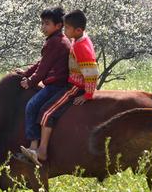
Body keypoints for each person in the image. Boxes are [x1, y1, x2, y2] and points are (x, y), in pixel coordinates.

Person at [20, 9, 99, 165]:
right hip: (69, 82)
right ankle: (37, 147)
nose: (65, 31)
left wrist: (88, 95)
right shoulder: (75, 40)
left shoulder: (77, 45)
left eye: (67, 28)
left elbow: (91, 71)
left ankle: (40, 150)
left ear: (78, 30)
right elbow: (42, 63)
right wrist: (26, 73)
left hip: (74, 86)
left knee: (45, 112)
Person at [17, 7, 71, 165]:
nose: (43, 27)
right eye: (42, 23)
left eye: (47, 24)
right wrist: (26, 72)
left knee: (32, 106)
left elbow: (43, 69)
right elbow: (42, 63)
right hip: (56, 82)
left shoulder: (56, 42)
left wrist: (30, 81)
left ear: (58, 25)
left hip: (57, 85)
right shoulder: (56, 40)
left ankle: (34, 146)